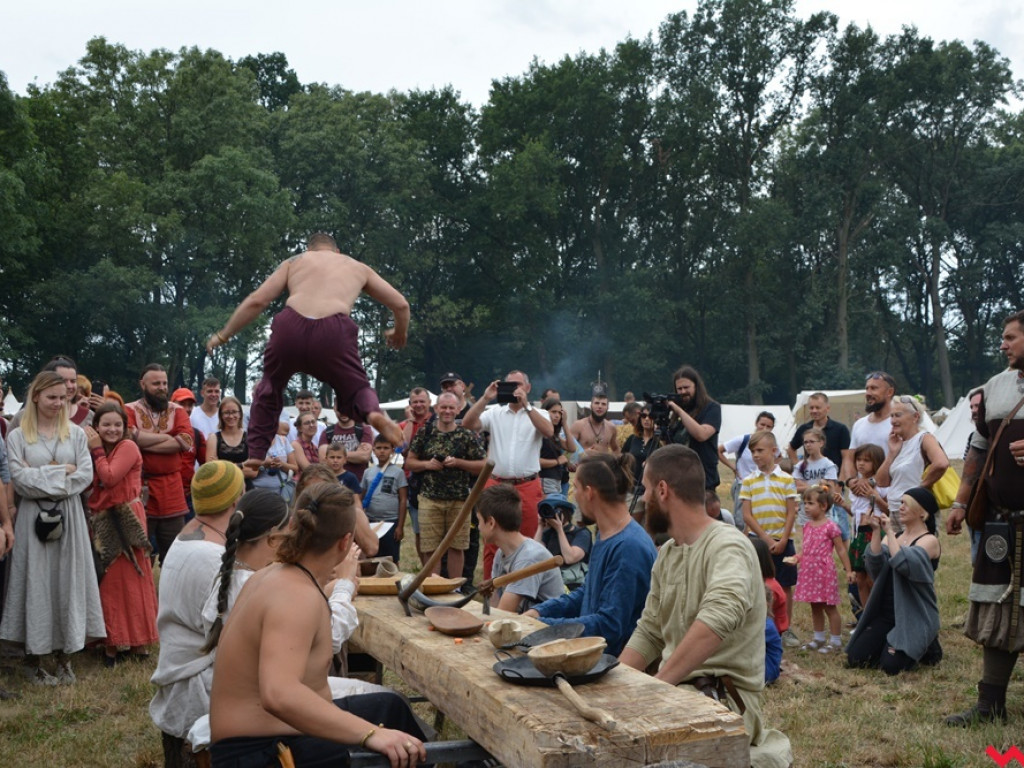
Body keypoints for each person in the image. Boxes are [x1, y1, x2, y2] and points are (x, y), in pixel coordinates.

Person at [208, 483, 427, 768]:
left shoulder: (278, 575)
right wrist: (370, 734)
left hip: (271, 737)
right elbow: (278, 694)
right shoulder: (296, 596)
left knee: (390, 708)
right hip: (256, 753)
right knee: (390, 748)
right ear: (345, 542)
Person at [621, 444, 792, 768]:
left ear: (662, 490)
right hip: (677, 695)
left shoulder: (728, 546)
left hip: (722, 702)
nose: (643, 499)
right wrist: (615, 685)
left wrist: (656, 688)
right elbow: (650, 631)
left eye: (645, 489)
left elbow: (718, 616)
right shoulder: (669, 554)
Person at [206, 232, 409, 468]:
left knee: (270, 387)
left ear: (309, 249)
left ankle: (257, 452)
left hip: (290, 328)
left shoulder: (295, 262)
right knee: (356, 388)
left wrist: (223, 334)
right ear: (337, 252)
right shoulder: (357, 267)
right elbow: (401, 304)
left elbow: (257, 301)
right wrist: (399, 333)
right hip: (334, 332)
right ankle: (373, 414)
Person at [945, 309, 1024, 726]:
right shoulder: (994, 387)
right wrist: (960, 502)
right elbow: (977, 447)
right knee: (1000, 608)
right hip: (1002, 521)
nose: (1002, 343)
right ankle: (989, 704)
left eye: (1011, 337)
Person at [0, 370, 103, 686]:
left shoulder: (75, 434)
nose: (59, 403)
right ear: (36, 397)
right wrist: (63, 472)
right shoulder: (18, 436)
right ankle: (33, 658)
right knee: (35, 581)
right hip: (33, 519)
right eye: (52, 397)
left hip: (69, 517)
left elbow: (84, 477)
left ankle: (65, 657)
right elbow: (19, 479)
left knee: (66, 581)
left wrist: (44, 474)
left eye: (64, 398)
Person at [150, 460, 246, 767]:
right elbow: (238, 634)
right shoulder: (211, 556)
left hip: (183, 672)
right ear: (235, 500)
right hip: (200, 685)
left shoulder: (187, 535)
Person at [523, 453, 657, 656]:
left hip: (613, 667)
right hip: (591, 655)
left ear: (589, 492)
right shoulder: (607, 534)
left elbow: (609, 626)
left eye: (575, 488)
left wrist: (543, 625)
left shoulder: (628, 547)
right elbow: (588, 593)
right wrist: (541, 611)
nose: (574, 495)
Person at [84, 402, 159, 666]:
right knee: (110, 581)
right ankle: (112, 640)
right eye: (106, 424)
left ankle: (135, 642)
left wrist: (94, 449)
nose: (112, 429)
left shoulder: (127, 447)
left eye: (118, 424)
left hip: (126, 518)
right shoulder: (99, 450)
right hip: (104, 518)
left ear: (125, 428)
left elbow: (110, 476)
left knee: (131, 578)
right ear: (96, 427)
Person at [462, 370, 553, 579]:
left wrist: (527, 405)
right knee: (491, 539)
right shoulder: (495, 412)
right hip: (496, 484)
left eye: (518, 385)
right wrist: (486, 397)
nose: (513, 390)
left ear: (528, 388)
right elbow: (467, 423)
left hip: (527, 484)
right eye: (509, 385)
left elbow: (549, 432)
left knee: (528, 539)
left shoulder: (539, 413)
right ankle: (490, 591)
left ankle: (523, 593)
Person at [846, 487, 942, 675]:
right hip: (888, 613)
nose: (901, 507)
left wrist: (889, 531)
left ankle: (929, 645)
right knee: (856, 658)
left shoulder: (929, 541)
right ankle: (890, 642)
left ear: (922, 512)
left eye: (906, 503)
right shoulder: (896, 537)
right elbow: (874, 565)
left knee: (891, 667)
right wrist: (875, 531)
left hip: (913, 614)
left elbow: (903, 563)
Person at [405, 391, 486, 581]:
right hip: (429, 498)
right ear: (436, 409)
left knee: (457, 547)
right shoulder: (425, 432)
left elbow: (483, 465)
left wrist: (459, 463)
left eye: (451, 407)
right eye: (444, 407)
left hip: (459, 500)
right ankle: (433, 588)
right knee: (430, 548)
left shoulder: (466, 435)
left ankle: (454, 588)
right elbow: (409, 462)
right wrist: (427, 465)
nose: (447, 411)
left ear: (458, 409)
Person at [125, 363, 194, 564]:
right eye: (156, 383)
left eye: (164, 383)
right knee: (137, 553)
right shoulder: (128, 409)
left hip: (172, 490)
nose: (162, 387)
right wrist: (169, 439)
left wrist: (142, 441)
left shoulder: (178, 410)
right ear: (143, 384)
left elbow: (185, 442)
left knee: (174, 555)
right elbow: (128, 437)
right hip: (139, 488)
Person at [740, 430, 800, 645]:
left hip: (784, 540)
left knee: (784, 584)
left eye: (760, 450)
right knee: (758, 582)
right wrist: (766, 539)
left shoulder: (786, 480)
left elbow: (791, 511)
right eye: (752, 451)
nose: (756, 455)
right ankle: (759, 624)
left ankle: (786, 628)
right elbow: (747, 514)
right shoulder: (748, 481)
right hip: (758, 541)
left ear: (774, 451)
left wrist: (783, 540)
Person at [480, 484, 565, 613]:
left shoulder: (529, 558)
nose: (479, 527)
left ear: (491, 523)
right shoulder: (501, 553)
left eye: (479, 521)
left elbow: (504, 613)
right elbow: (494, 607)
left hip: (546, 628)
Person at [791, 485, 854, 655]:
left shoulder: (831, 526)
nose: (806, 507)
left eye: (810, 503)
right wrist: (797, 558)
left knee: (829, 606)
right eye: (805, 503)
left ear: (823, 506)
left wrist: (848, 570)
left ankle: (835, 640)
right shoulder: (807, 526)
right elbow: (806, 548)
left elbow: (840, 549)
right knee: (815, 605)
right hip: (809, 571)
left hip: (823, 572)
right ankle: (818, 638)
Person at [874, 395, 948, 534]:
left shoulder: (924, 438)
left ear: (915, 417)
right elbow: (881, 482)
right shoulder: (898, 444)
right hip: (895, 510)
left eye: (898, 415)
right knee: (896, 554)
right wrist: (891, 453)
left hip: (915, 510)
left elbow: (941, 463)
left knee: (914, 553)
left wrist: (919, 489)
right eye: (892, 416)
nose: (893, 421)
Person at [847, 444, 887, 620]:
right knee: (860, 579)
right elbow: (856, 512)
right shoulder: (855, 486)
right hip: (859, 533)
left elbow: (888, 509)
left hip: (875, 531)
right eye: (859, 460)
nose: (861, 464)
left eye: (866, 460)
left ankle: (878, 616)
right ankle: (866, 617)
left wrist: (874, 495)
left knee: (873, 578)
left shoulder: (883, 484)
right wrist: (843, 505)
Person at [667, 365, 722, 491]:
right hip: (679, 480)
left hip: (704, 481)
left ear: (696, 386)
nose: (682, 392)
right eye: (679, 389)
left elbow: (701, 434)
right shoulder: (676, 414)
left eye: (686, 387)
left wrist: (678, 410)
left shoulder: (712, 408)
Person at [719, 411, 777, 525]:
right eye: (762, 424)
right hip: (743, 484)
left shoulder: (772, 444)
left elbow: (778, 456)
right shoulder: (743, 440)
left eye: (768, 426)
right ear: (756, 423)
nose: (764, 428)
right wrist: (733, 467)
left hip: (763, 485)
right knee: (741, 520)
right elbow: (719, 450)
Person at [841, 371, 896, 490]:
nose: (868, 393)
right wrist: (851, 481)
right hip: (863, 497)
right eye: (867, 389)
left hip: (892, 494)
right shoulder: (859, 424)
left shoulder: (897, 423)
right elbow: (850, 458)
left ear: (889, 392)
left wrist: (871, 481)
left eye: (874, 388)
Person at [360, 436, 407, 564]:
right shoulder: (367, 472)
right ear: (373, 450)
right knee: (371, 556)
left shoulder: (398, 473)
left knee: (391, 558)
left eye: (386, 448)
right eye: (379, 448)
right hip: (371, 521)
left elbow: (403, 500)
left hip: (391, 522)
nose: (382, 451)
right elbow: (360, 497)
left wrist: (400, 526)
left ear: (392, 450)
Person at [536, 493, 592, 591]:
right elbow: (534, 556)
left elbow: (570, 558)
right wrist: (540, 527)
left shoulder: (582, 533)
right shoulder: (548, 534)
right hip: (553, 584)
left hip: (575, 586)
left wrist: (559, 530)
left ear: (565, 513)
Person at [787, 392, 851, 469]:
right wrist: (799, 468)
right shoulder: (804, 429)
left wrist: (842, 479)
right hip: (810, 478)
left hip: (834, 477)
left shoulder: (840, 429)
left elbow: (846, 457)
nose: (814, 411)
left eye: (818, 408)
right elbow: (791, 448)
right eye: (811, 408)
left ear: (827, 408)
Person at [205, 396, 257, 488]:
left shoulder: (250, 438)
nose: (231, 416)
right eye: (227, 413)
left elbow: (253, 472)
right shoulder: (213, 438)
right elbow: (211, 471)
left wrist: (221, 467)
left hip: (245, 490)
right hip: (222, 491)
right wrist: (242, 465)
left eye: (234, 412)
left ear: (240, 414)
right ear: (221, 415)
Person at [170, 387, 207, 518]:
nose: (186, 409)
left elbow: (207, 464)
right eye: (182, 404)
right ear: (171, 405)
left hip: (188, 497)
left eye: (190, 405)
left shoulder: (196, 435)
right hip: (163, 496)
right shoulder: (161, 431)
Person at [622, 406, 659, 522]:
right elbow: (622, 459)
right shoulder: (633, 439)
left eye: (651, 416)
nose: (647, 419)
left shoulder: (660, 441)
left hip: (651, 492)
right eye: (643, 416)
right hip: (632, 489)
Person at [320, 402, 374, 481]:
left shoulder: (364, 430)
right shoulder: (327, 432)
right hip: (333, 484)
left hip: (358, 484)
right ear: (334, 409)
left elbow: (364, 456)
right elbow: (323, 459)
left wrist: (333, 456)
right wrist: (355, 455)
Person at [251, 421, 298, 501]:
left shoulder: (283, 440)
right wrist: (263, 465)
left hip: (281, 492)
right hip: (257, 492)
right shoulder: (251, 442)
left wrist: (281, 464)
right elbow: (246, 471)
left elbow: (295, 468)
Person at [539, 398, 577, 496]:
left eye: (559, 413)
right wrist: (557, 461)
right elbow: (535, 461)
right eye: (553, 412)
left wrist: (564, 424)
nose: (557, 416)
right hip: (545, 479)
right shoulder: (540, 434)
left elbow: (572, 448)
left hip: (557, 480)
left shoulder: (554, 435)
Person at [569, 385, 619, 454]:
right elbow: (567, 449)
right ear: (591, 406)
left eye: (603, 404)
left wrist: (612, 461)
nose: (600, 406)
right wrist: (583, 453)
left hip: (603, 463)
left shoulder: (611, 427)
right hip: (584, 463)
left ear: (607, 408)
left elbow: (616, 449)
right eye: (597, 403)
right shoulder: (578, 425)